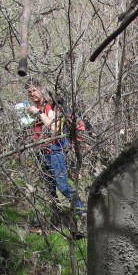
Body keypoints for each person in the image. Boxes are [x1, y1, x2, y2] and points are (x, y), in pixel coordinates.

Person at [25, 81, 86, 222]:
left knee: (63, 186)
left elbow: (54, 129)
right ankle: (58, 218)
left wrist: (39, 113)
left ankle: (83, 214)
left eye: (34, 90)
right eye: (30, 92)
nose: (32, 94)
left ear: (41, 89)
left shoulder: (50, 107)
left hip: (54, 150)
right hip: (41, 151)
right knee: (50, 188)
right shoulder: (33, 108)